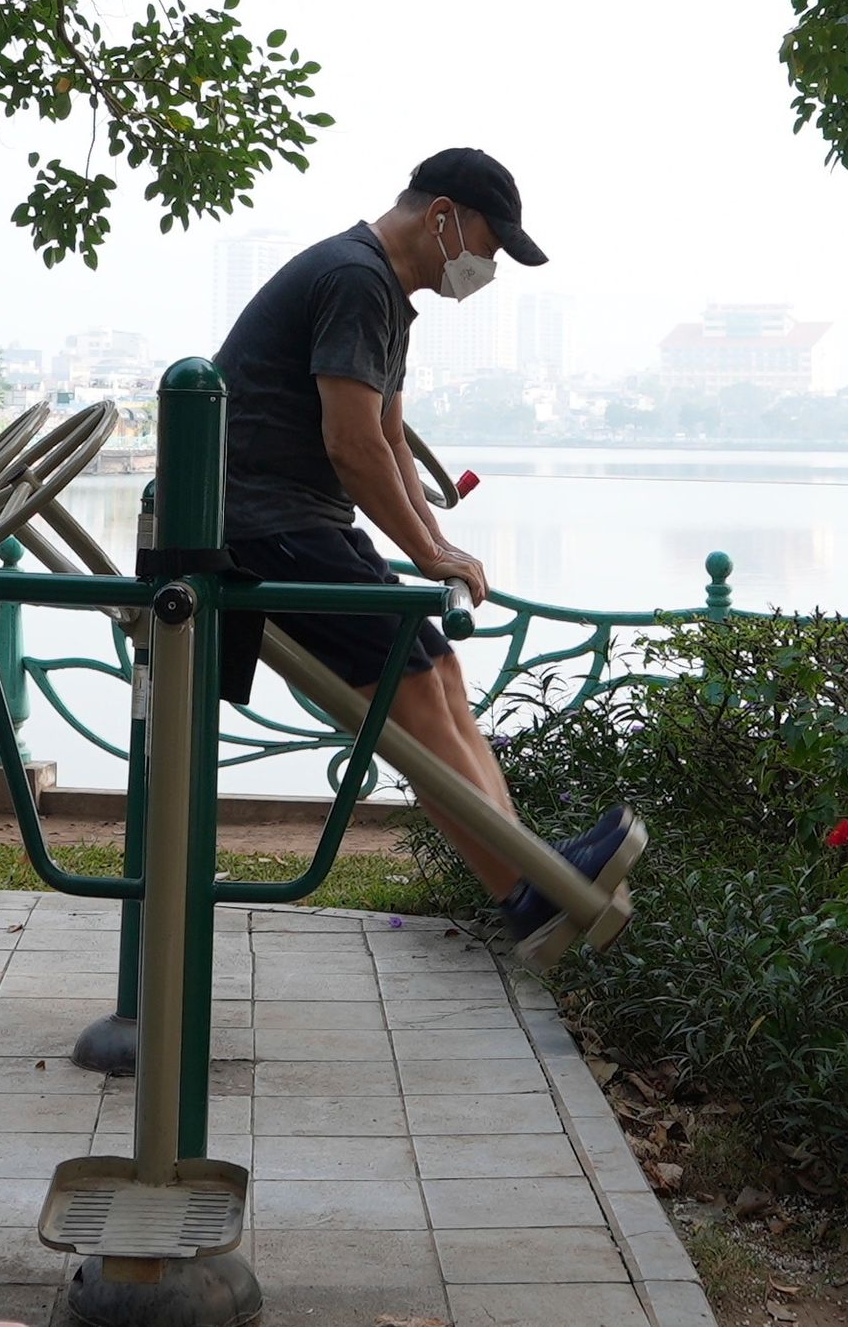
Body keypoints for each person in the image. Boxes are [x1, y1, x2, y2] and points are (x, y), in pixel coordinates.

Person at [212, 146, 642, 944]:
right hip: (262, 524)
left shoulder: (386, 294)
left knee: (438, 666)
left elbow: (390, 439)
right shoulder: (354, 277)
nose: (486, 266)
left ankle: (530, 874)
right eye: (488, 243)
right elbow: (351, 446)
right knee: (407, 691)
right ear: (442, 216)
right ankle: (526, 887)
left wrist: (435, 543)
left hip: (301, 521)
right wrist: (428, 552)